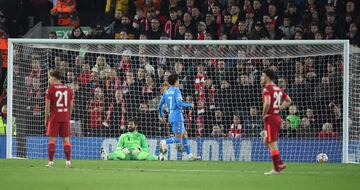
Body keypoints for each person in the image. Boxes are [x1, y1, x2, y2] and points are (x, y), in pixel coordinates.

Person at [158, 73, 200, 160]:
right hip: (177, 117)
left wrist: (161, 115)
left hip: (171, 116)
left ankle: (190, 155)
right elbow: (179, 103)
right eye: (178, 80)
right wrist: (190, 105)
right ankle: (163, 142)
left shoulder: (166, 92)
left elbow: (160, 105)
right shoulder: (177, 90)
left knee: (184, 134)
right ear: (176, 81)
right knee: (178, 138)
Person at [260, 68, 292, 175]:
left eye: (263, 75)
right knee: (266, 141)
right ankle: (280, 163)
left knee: (272, 143)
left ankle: (276, 168)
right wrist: (278, 108)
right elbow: (288, 100)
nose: (261, 77)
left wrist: (264, 114)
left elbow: (267, 103)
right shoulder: (278, 89)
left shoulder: (267, 89)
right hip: (276, 117)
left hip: (271, 118)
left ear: (267, 77)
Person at [44, 70, 74, 168]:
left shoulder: (51, 89)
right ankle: (68, 162)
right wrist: (68, 116)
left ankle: (51, 162)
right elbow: (71, 105)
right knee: (66, 140)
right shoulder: (68, 89)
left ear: (54, 78)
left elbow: (47, 106)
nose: (49, 80)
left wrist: (46, 118)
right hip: (65, 117)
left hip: (54, 117)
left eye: (50, 77)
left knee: (52, 140)